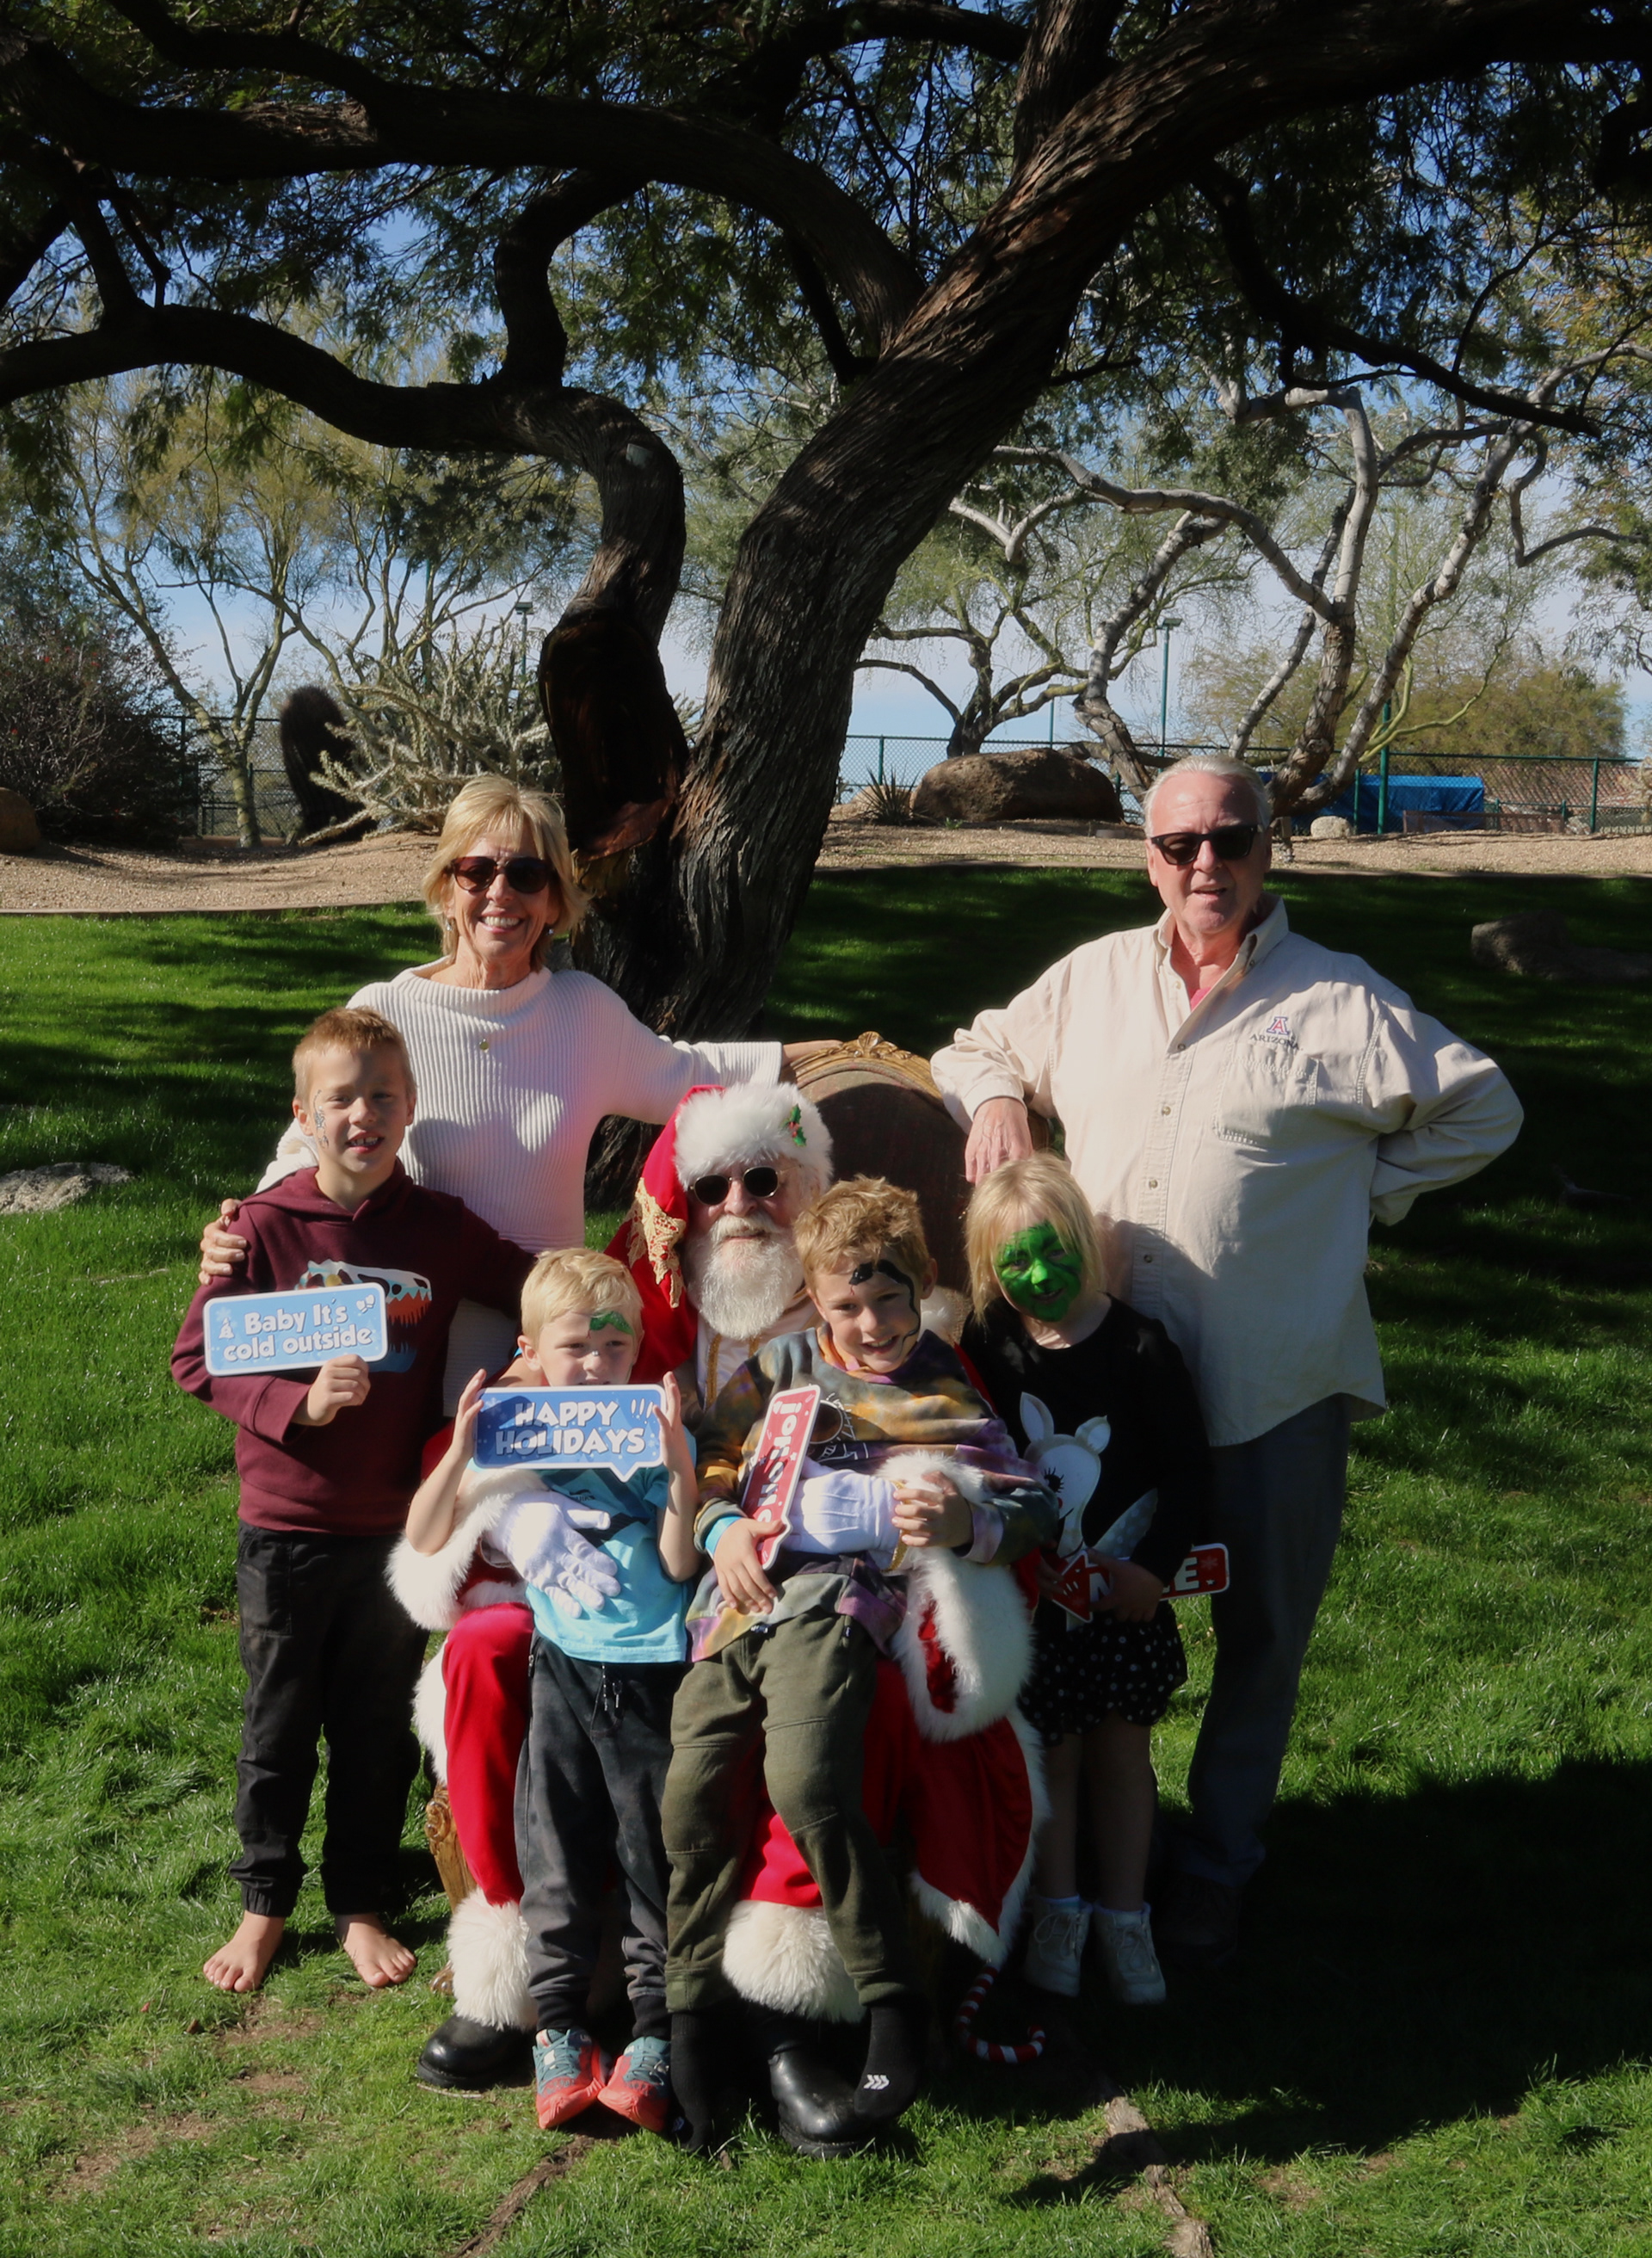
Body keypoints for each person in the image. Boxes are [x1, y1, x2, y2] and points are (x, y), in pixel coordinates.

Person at [932, 752, 1523, 1968]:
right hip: (1094, 1394)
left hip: (1273, 1386)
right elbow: (971, 1045)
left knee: (1261, 1639)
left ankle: (1215, 1865)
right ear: (1148, 857)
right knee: (1076, 1621)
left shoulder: (1343, 998)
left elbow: (1486, 1107)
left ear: (1267, 847)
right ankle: (1089, 1858)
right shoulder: (1092, 980)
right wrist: (995, 1099)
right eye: (1180, 843)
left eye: (1231, 838)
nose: (1207, 862)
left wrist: (1366, 1189)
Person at [389, 1079, 836, 2094]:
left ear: (806, 1188)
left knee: (816, 1674)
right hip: (614, 1620)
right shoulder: (638, 1321)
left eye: (764, 1179)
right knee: (483, 1652)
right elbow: (461, 1488)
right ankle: (519, 1979)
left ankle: (782, 2001)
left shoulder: (865, 1308)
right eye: (711, 1186)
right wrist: (515, 1508)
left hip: (792, 1590)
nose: (738, 1205)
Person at [663, 1176, 1057, 2156]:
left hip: (846, 1603)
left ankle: (886, 2003)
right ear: (814, 1297)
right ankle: (692, 2026)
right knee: (690, 1798)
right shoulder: (779, 1368)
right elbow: (714, 1455)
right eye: (848, 1305)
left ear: (923, 1285)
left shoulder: (944, 1383)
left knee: (807, 1774)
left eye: (890, 1299)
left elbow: (1031, 1502)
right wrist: (719, 1527)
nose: (873, 1325)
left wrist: (965, 1521)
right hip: (738, 1607)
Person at [198, 774, 817, 1388]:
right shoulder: (385, 1012)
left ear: (554, 902)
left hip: (549, 1362)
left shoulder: (583, 1013)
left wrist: (851, 1052)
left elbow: (699, 1072)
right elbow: (308, 1147)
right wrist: (243, 1230)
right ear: (446, 890)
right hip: (403, 1353)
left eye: (527, 874)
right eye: (476, 872)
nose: (501, 892)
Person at [171, 1007, 535, 1995]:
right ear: (305, 1115)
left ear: (410, 1108)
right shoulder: (260, 1227)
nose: (363, 1114)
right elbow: (196, 1358)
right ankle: (264, 1899)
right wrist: (297, 1402)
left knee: (376, 1726)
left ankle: (360, 1900)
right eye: (341, 1098)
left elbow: (536, 1285)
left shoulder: (440, 1228)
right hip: (285, 1528)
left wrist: (566, 1341)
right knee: (279, 1722)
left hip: (393, 1531)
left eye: (382, 1095)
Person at [401, 1249, 700, 2134]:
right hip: (564, 1667)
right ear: (531, 1351)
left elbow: (678, 1560)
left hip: (651, 1668)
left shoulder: (648, 1426)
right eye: (576, 1346)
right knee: (556, 1849)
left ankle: (653, 2032)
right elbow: (425, 1536)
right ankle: (558, 2028)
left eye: (615, 1345)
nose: (597, 1363)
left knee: (650, 1854)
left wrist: (679, 1470)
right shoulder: (516, 1430)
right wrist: (465, 1453)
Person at [960, 1151, 1210, 2008]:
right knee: (1054, 1760)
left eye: (1053, 1250)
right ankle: (1058, 1911)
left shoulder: (1141, 1347)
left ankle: (1126, 1916)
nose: (1039, 1276)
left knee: (1123, 1758)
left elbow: (1189, 1472)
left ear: (1084, 1239)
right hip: (1036, 1604)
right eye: (1015, 1262)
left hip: (1125, 1603)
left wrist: (1152, 1571)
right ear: (989, 1268)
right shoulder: (988, 1344)